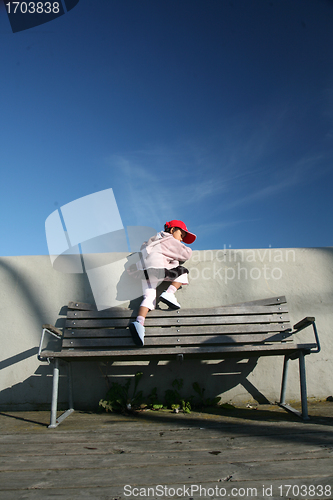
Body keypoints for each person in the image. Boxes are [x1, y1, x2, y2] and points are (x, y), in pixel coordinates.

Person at [129, 220, 196, 347]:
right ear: (172, 231)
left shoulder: (153, 240)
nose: (181, 240)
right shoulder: (170, 240)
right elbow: (185, 254)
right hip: (159, 268)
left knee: (149, 297)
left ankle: (139, 322)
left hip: (145, 272)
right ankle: (169, 294)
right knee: (182, 272)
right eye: (181, 235)